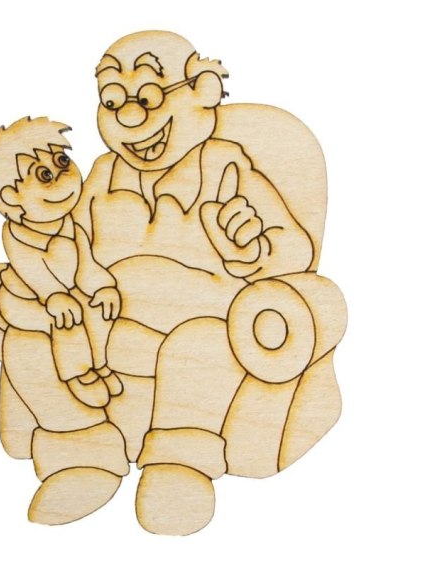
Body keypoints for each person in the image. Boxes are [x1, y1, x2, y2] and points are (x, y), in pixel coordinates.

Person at [71, 30, 315, 535]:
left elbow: (298, 250)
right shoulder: (102, 174)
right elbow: (70, 242)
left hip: (203, 322)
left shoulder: (222, 163)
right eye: (112, 101)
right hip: (110, 322)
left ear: (201, 91)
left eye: (148, 97)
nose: (130, 118)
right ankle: (73, 454)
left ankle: (178, 463)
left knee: (198, 346)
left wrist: (253, 250)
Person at [0, 116, 123, 408]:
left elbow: (85, 265)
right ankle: (78, 373)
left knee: (95, 308)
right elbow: (33, 272)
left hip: (64, 292)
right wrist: (52, 296)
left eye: (63, 162)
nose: (63, 179)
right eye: (44, 176)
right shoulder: (17, 236)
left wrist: (102, 286)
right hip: (25, 300)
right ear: (12, 198)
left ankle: (100, 364)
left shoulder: (70, 226)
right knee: (66, 319)